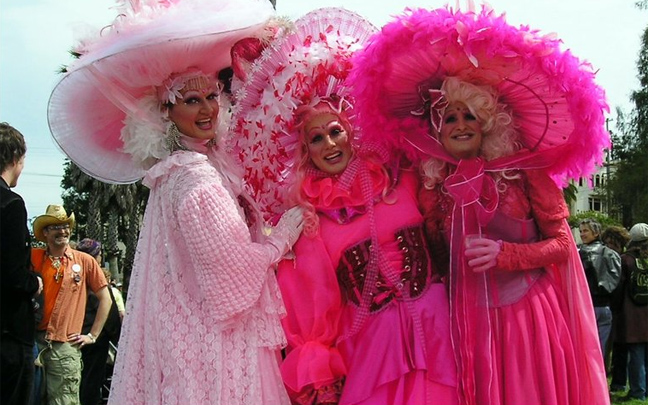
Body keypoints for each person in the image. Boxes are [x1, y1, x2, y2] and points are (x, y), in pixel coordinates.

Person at [348, 6, 610, 404]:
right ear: (438, 129)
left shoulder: (525, 171)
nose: (460, 125)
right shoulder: (433, 186)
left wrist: (506, 254)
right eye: (449, 118)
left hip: (526, 321)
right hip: (464, 326)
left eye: (469, 116)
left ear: (488, 122)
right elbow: (436, 258)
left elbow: (562, 246)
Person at [47, 0, 303, 403]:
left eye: (210, 96)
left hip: (194, 336)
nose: (206, 108)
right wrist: (282, 238)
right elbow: (232, 270)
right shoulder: (193, 176)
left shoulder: (184, 169)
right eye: (190, 100)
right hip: (215, 344)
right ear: (166, 113)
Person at [231, 8, 458, 404]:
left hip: (440, 332)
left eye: (335, 131)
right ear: (305, 151)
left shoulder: (402, 177)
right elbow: (310, 304)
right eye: (316, 139)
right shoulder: (310, 220)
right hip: (374, 351)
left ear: (351, 131)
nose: (330, 144)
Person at [31, 205, 112, 405]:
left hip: (65, 346)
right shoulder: (33, 257)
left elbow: (106, 298)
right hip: (33, 343)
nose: (63, 231)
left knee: (64, 401)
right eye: (56, 227)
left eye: (66, 226)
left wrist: (92, 335)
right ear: (45, 232)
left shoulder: (85, 261)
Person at [1, 122, 43, 405]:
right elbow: (13, 274)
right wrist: (34, 282)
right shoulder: (11, 204)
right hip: (9, 333)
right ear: (16, 158)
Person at [76, 239, 121, 405]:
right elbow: (110, 314)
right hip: (95, 340)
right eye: (99, 255)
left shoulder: (73, 277)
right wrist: (116, 337)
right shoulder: (97, 281)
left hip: (75, 337)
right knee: (91, 384)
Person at [614, 223, 648, 401]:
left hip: (632, 314)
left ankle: (638, 391)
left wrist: (615, 308)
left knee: (636, 354)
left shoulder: (626, 260)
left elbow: (618, 288)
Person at [578, 219, 622, 354]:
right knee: (600, 350)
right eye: (581, 231)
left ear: (596, 233)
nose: (582, 234)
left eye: (585, 231)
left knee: (585, 349)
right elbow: (617, 282)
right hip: (606, 307)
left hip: (587, 306)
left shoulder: (580, 253)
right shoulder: (613, 254)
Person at [601, 225, 632, 390]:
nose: (610, 247)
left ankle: (614, 379)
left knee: (614, 345)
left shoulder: (620, 260)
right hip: (615, 307)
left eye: (614, 244)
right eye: (607, 243)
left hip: (616, 307)